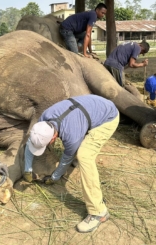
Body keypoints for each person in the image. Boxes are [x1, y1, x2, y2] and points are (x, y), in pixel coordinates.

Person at [23, 95, 119, 233]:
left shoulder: (71, 136)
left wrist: (54, 178)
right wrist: (27, 169)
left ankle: (98, 212)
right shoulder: (43, 121)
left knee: (84, 156)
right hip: (91, 108)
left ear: (53, 138)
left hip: (107, 117)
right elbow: (30, 141)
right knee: (77, 147)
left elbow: (64, 161)